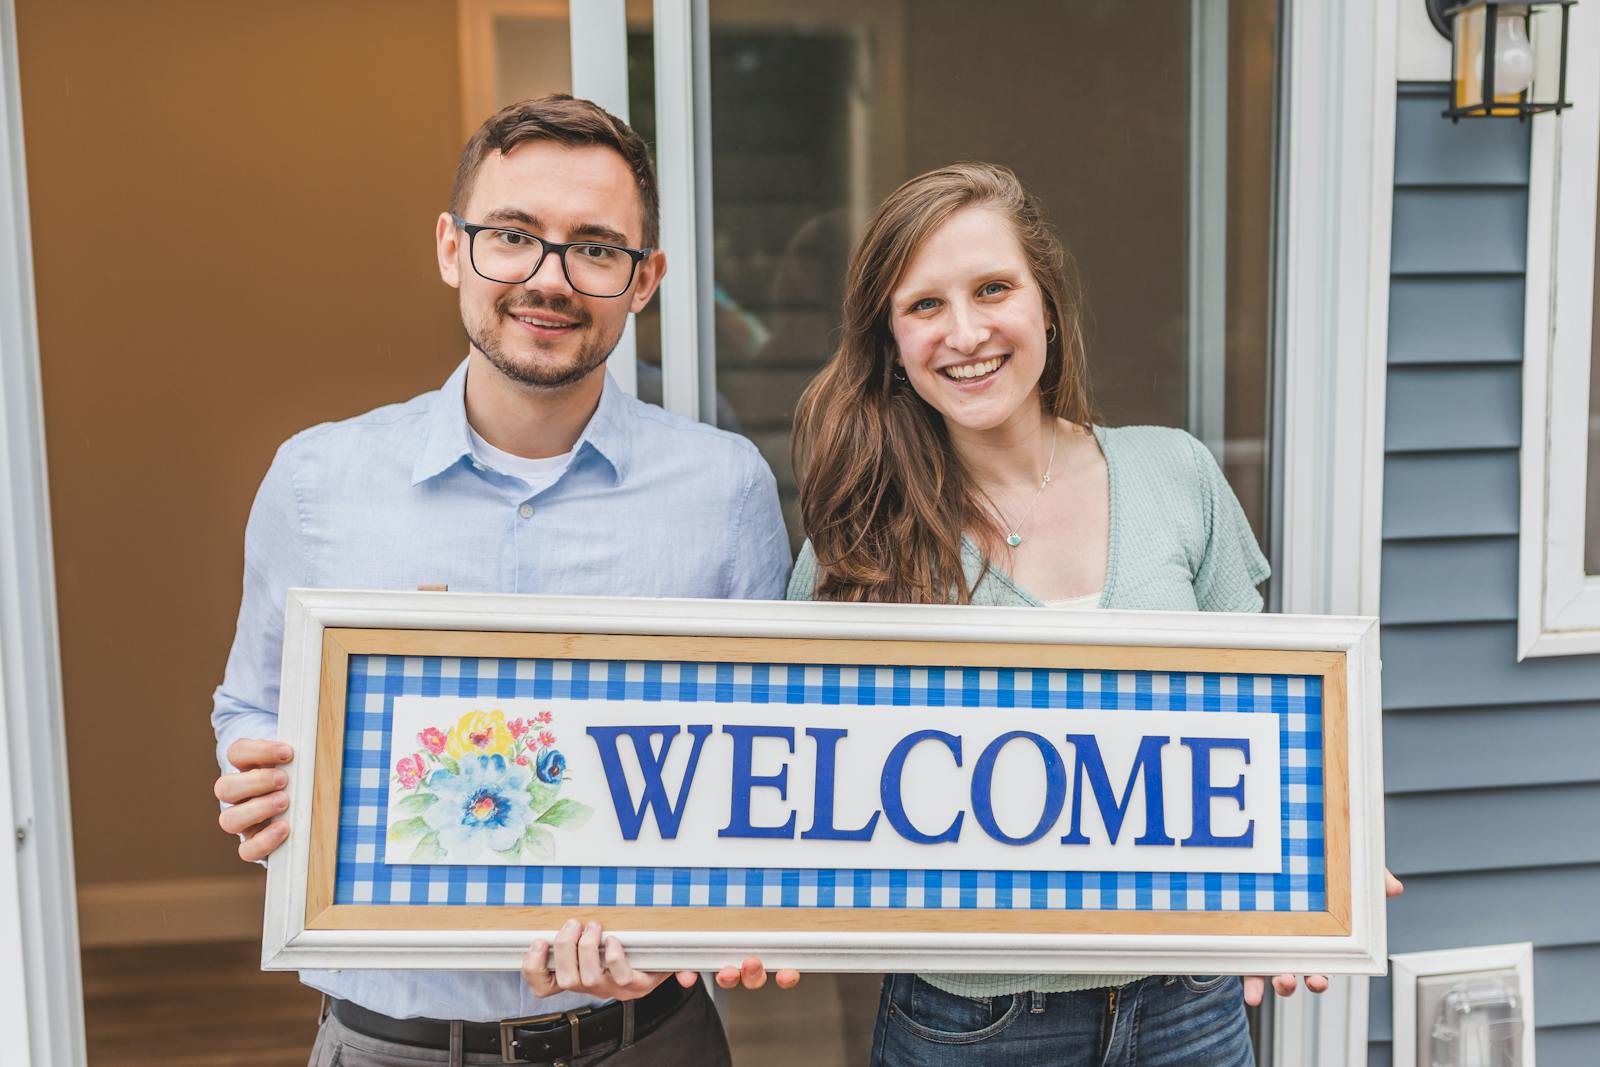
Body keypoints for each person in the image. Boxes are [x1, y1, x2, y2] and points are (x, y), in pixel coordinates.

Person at [211, 95, 794, 1067]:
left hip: (647, 1034)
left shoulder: (725, 489)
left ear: (644, 278)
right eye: (512, 236)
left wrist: (707, 926)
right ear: (452, 247)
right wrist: (257, 773)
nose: (548, 277)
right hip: (387, 1039)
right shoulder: (315, 482)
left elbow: (767, 751)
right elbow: (251, 704)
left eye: (596, 247)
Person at [786, 161, 1401, 1065]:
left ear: (1046, 305)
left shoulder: (1175, 472)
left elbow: (1266, 723)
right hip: (969, 1023)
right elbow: (794, 776)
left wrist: (1324, 861)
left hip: (1191, 999)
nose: (965, 332)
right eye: (924, 305)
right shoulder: (860, 536)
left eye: (993, 288)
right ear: (890, 339)